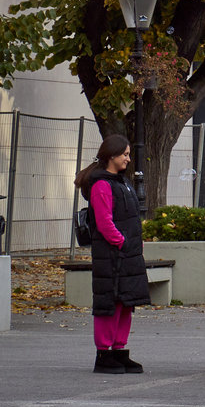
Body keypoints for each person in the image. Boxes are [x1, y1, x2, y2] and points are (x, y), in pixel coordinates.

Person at [77, 135, 148, 375]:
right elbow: (105, 222)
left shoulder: (122, 182)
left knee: (126, 303)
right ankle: (104, 353)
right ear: (111, 156)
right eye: (125, 154)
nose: (128, 158)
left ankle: (119, 350)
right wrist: (121, 242)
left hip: (128, 254)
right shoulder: (102, 185)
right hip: (113, 254)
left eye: (128, 154)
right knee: (109, 303)